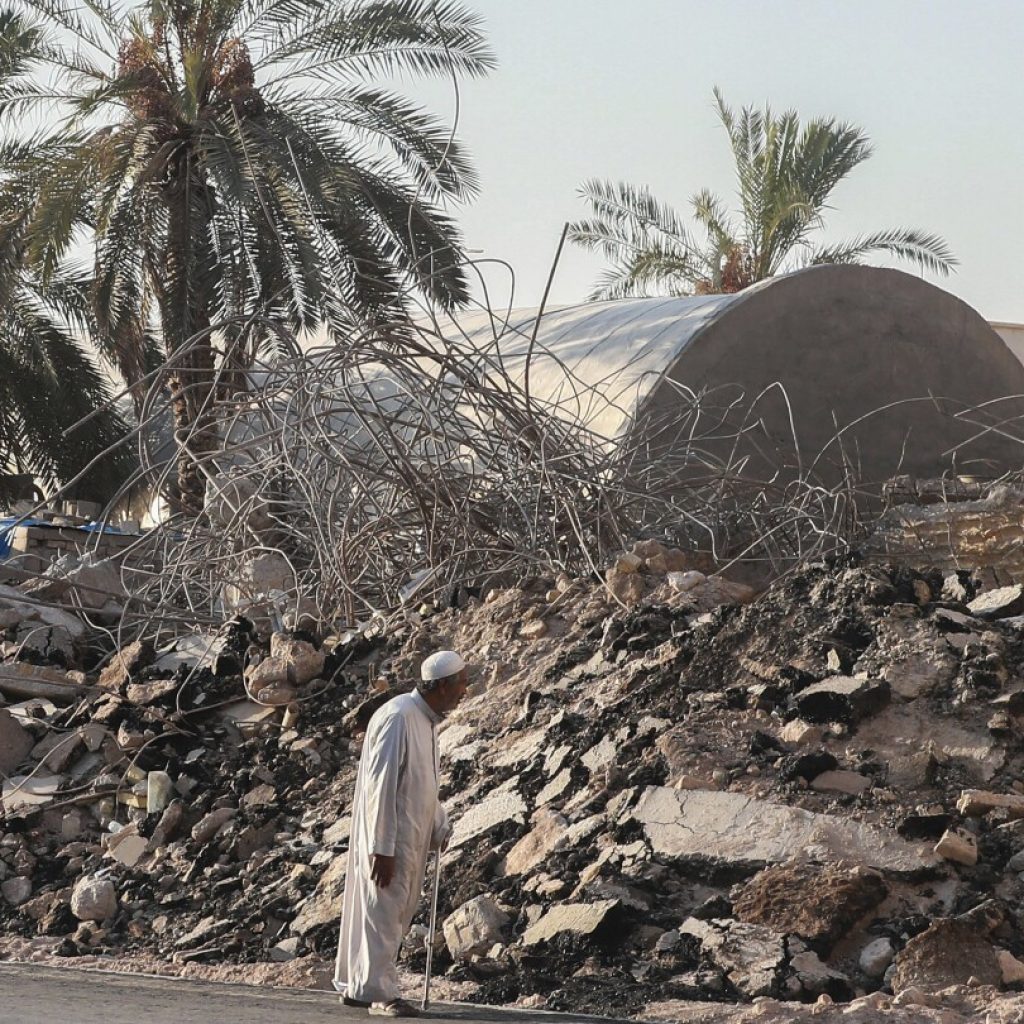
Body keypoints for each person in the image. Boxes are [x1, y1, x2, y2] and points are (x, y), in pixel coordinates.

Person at [334, 650, 468, 1017]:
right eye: (460, 684)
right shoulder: (398, 718)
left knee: (390, 912)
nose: (464, 691)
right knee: (384, 912)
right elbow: (383, 786)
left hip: (410, 834)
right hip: (391, 838)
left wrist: (438, 824)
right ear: (440, 686)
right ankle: (381, 994)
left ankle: (360, 984)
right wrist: (382, 847)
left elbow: (424, 784)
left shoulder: (423, 720)